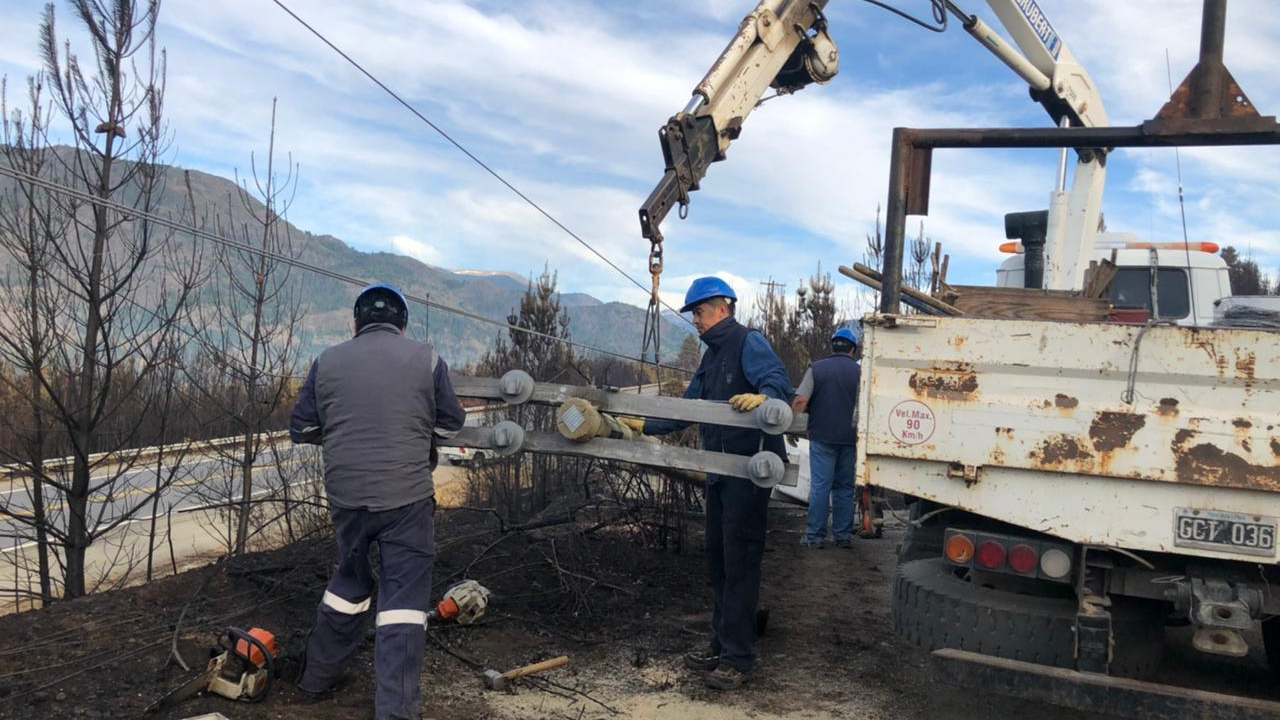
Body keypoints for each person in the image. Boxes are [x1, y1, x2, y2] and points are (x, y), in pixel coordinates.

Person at [288, 282, 466, 720]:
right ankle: (397, 710)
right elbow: (451, 424)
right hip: (405, 497)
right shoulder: (425, 358)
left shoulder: (326, 361)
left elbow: (302, 428)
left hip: (347, 500)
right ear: (402, 325)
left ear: (356, 323)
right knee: (402, 603)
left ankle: (317, 677)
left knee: (348, 584)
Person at [638, 276, 792, 691]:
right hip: (719, 473)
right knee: (719, 560)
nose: (696, 322)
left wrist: (767, 397)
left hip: (748, 473)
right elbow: (687, 408)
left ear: (723, 308)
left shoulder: (748, 342)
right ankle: (721, 643)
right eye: (693, 316)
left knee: (740, 562)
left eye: (700, 313)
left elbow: (778, 380)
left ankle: (738, 659)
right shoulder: (711, 359)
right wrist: (640, 424)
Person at [792, 327, 861, 549]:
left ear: (833, 346)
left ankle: (814, 537)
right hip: (852, 439)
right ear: (853, 350)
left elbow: (801, 401)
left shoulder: (817, 369)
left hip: (822, 437)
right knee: (845, 487)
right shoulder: (862, 373)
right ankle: (843, 536)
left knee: (820, 487)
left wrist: (791, 425)